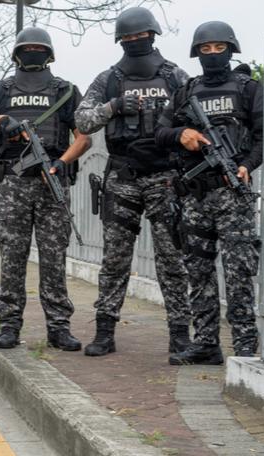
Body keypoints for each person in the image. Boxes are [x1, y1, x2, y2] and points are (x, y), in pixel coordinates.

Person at [0, 27, 91, 350]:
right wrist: (1, 121)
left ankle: (59, 327)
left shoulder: (65, 90)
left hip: (51, 180)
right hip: (14, 183)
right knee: (12, 255)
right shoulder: (0, 90)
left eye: (38, 48)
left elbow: (84, 137)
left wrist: (62, 162)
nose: (33, 52)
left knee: (53, 257)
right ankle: (8, 325)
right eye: (27, 48)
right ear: (18, 53)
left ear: (48, 54)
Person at [74, 7, 192, 357]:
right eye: (128, 38)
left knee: (171, 259)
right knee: (114, 260)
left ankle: (180, 336)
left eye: (140, 37)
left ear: (152, 36)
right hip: (122, 176)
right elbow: (83, 119)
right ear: (120, 41)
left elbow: (194, 115)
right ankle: (105, 332)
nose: (135, 41)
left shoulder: (174, 76)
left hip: (165, 177)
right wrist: (113, 107)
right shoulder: (108, 79)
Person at [155, 21, 263, 364]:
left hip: (234, 193)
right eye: (206, 49)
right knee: (197, 270)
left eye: (220, 48)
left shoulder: (248, 89)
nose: (213, 54)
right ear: (197, 53)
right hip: (195, 196)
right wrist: (182, 134)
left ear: (231, 50)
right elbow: (160, 133)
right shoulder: (186, 92)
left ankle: (245, 342)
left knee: (239, 270)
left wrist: (248, 164)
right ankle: (205, 343)